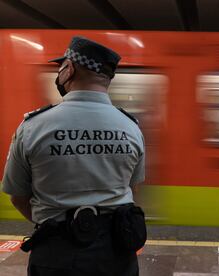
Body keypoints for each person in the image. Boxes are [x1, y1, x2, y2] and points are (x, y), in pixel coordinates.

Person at [2, 36, 146, 276]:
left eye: (61, 67)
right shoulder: (131, 127)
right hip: (118, 253)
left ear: (68, 69)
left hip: (55, 254)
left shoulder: (33, 127)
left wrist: (54, 224)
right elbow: (134, 189)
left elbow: (17, 196)